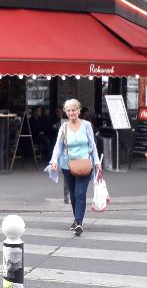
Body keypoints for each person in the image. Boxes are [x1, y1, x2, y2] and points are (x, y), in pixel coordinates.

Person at [47, 98, 100, 236]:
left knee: (80, 193)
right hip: (68, 165)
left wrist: (96, 162)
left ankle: (79, 222)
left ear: (78, 110)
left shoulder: (87, 125)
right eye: (69, 110)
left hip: (85, 164)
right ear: (65, 112)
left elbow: (93, 145)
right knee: (73, 194)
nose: (71, 113)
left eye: (74, 110)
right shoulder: (63, 127)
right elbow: (58, 147)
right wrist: (54, 161)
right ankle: (76, 219)